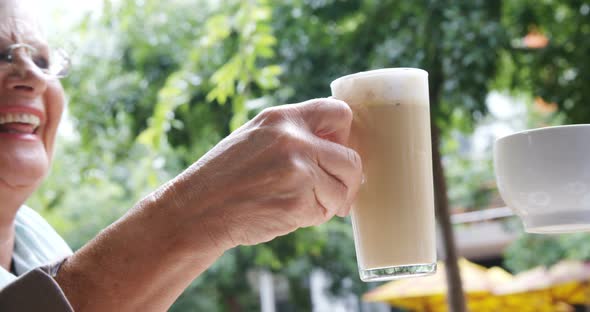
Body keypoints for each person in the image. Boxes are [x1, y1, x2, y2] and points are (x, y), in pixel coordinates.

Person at [0, 0, 363, 311]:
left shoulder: (42, 246)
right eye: (1, 56)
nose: (30, 76)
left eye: (42, 60)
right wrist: (198, 211)